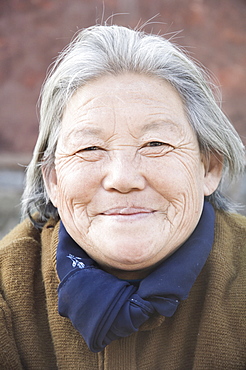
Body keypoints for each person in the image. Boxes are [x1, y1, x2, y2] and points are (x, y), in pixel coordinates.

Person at [0, 24, 245, 369]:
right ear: (53, 180)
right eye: (90, 148)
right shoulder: (7, 293)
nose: (123, 179)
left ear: (209, 167)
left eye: (155, 144)